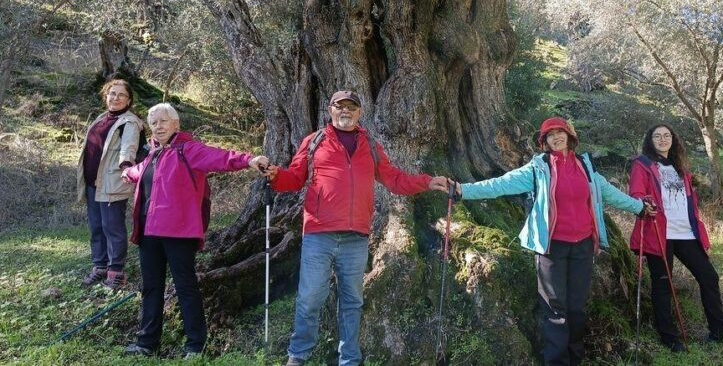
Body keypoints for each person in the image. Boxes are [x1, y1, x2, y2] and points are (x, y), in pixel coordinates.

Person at [263, 90, 449, 366]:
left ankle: (349, 359)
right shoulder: (314, 142)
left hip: (356, 238)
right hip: (318, 234)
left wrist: (427, 181)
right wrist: (276, 175)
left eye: (351, 107)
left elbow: (394, 179)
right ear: (330, 110)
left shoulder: (370, 145)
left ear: (360, 113)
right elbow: (293, 178)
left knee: (352, 302)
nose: (345, 111)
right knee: (310, 298)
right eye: (340, 107)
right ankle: (298, 356)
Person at [449, 117, 654, 366]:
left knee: (577, 307)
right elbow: (501, 184)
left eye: (560, 132)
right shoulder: (538, 168)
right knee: (555, 308)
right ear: (544, 141)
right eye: (550, 135)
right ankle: (557, 362)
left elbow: (609, 194)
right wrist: (463, 190)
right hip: (551, 247)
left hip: (583, 245)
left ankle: (575, 357)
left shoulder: (586, 166)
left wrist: (639, 208)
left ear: (570, 136)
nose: (556, 137)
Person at [120, 103, 269, 359]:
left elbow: (220, 158)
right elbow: (141, 172)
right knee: (151, 288)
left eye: (164, 121)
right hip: (149, 234)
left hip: (179, 233)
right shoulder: (153, 154)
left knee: (185, 287)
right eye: (154, 123)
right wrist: (128, 173)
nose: (159, 126)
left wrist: (248, 160)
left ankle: (195, 346)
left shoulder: (188, 150)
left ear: (176, 124)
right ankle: (146, 343)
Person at [629, 124, 723, 352]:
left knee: (708, 277)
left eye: (666, 136)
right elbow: (636, 193)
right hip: (659, 233)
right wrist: (644, 202)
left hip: (686, 233)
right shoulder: (642, 164)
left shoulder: (679, 167)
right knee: (663, 284)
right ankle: (670, 337)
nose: (662, 139)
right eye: (657, 136)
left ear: (673, 140)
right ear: (650, 140)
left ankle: (719, 331)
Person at [77, 79, 143, 289]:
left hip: (113, 181)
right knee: (96, 227)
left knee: (112, 227)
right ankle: (100, 267)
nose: (115, 98)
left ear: (129, 100)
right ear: (105, 96)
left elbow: (129, 147)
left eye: (121, 95)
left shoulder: (130, 122)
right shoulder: (101, 119)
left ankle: (116, 272)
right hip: (92, 182)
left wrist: (126, 166)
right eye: (112, 93)